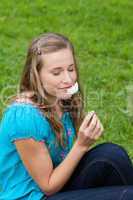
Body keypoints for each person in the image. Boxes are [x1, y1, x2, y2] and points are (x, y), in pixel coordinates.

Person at [0, 32, 133, 200]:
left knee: (112, 155)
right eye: (57, 73)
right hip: (35, 196)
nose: (68, 79)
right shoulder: (23, 117)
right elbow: (48, 187)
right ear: (36, 75)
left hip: (58, 186)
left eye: (71, 69)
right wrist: (81, 145)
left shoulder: (62, 100)